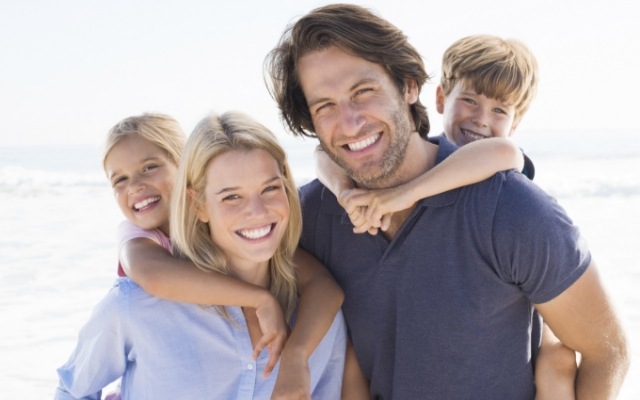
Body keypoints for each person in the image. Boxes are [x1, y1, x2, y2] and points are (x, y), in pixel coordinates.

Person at [265, 4, 629, 399]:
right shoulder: (312, 215)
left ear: (407, 86)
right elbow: (213, 259)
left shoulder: (510, 210)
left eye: (363, 91)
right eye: (326, 106)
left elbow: (606, 350)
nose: (350, 122)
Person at [313, 33, 579, 398]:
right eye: (468, 100)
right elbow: (322, 154)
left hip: (523, 308)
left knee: (558, 363)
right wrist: (345, 193)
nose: (481, 120)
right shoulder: (418, 151)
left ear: (515, 122)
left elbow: (499, 150)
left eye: (500, 110)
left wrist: (400, 195)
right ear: (440, 99)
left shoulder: (500, 167)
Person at [54, 112, 349, 399]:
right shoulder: (136, 296)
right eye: (231, 196)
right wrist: (261, 300)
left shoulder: (315, 319)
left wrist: (295, 353)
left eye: (270, 188)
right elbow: (72, 390)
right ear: (197, 202)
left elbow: (321, 282)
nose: (257, 212)